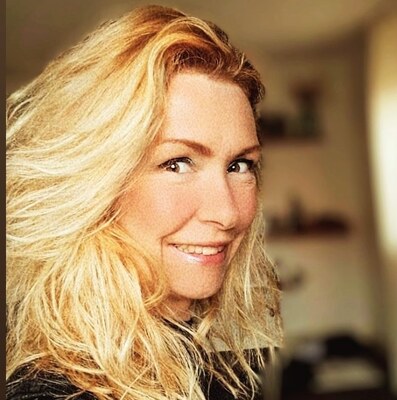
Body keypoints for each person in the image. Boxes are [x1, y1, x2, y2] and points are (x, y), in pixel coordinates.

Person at [6, 5, 283, 400]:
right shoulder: (52, 392)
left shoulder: (198, 368)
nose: (227, 213)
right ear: (96, 180)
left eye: (240, 165)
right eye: (177, 163)